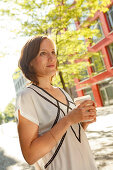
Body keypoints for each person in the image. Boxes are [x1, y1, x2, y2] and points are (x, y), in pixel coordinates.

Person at [17, 35, 97, 170]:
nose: (52, 58)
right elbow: (30, 155)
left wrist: (83, 122)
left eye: (53, 52)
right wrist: (69, 120)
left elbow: (66, 135)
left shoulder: (62, 91)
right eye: (43, 53)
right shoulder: (27, 96)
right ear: (29, 61)